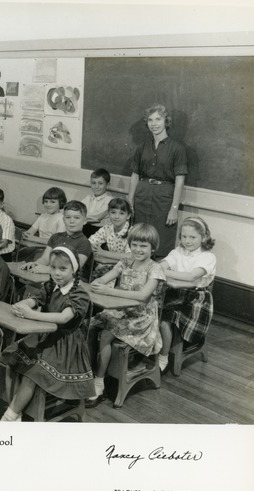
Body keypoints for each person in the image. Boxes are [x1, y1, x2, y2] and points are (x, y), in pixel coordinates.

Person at [0, 247, 95, 421]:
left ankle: (10, 416)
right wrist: (25, 304)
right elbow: (37, 298)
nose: (56, 273)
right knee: (10, 358)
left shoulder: (80, 294)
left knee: (33, 373)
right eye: (53, 268)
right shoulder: (51, 285)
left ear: (74, 270)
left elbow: (64, 318)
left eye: (62, 269)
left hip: (66, 345)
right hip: (45, 336)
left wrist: (33, 314)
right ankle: (16, 408)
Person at [87, 223, 166, 407]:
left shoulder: (155, 269)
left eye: (143, 246)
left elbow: (142, 296)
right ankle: (88, 373)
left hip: (140, 319)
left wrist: (109, 291)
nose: (138, 249)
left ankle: (99, 383)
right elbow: (105, 279)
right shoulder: (124, 261)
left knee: (106, 335)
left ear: (153, 248)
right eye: (135, 245)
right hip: (119, 310)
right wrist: (98, 282)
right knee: (89, 327)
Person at [127, 104, 188, 258]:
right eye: (150, 120)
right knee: (140, 237)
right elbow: (135, 175)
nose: (154, 123)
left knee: (162, 240)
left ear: (166, 121)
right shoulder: (141, 147)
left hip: (164, 198)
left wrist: (174, 208)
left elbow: (180, 181)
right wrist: (130, 201)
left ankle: (158, 279)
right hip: (142, 195)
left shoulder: (177, 149)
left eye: (158, 119)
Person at [158, 217, 216, 372]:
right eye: (184, 237)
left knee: (166, 319)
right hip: (173, 292)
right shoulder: (177, 252)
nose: (187, 241)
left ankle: (163, 356)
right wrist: (166, 272)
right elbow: (161, 265)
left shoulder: (208, 257)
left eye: (193, 237)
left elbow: (192, 277)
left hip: (196, 299)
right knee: (151, 311)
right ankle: (152, 347)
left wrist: (169, 275)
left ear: (204, 238)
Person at [22, 200, 92, 276]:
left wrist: (49, 269)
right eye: (68, 217)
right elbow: (45, 259)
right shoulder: (55, 237)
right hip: (49, 277)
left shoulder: (84, 242)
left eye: (77, 217)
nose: (72, 221)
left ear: (85, 221)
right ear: (63, 220)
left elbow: (75, 268)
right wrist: (35, 264)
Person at [89, 198, 133, 281]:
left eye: (121, 213)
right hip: (111, 264)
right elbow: (90, 242)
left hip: (128, 268)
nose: (116, 216)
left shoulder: (132, 232)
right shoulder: (107, 228)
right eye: (113, 212)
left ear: (128, 216)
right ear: (108, 213)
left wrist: (103, 254)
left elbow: (129, 257)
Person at [18, 186, 67, 262]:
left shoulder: (61, 219)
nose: (48, 205)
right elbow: (30, 232)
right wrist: (25, 234)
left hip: (51, 252)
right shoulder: (42, 216)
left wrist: (35, 239)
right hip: (37, 248)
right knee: (19, 255)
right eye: (46, 201)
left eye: (52, 202)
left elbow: (56, 242)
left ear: (61, 202)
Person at [81, 168, 114, 237]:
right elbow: (77, 209)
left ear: (108, 185)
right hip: (85, 228)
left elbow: (97, 217)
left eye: (100, 183)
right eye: (93, 183)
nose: (96, 186)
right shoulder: (88, 198)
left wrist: (79, 216)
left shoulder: (110, 201)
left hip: (100, 232)